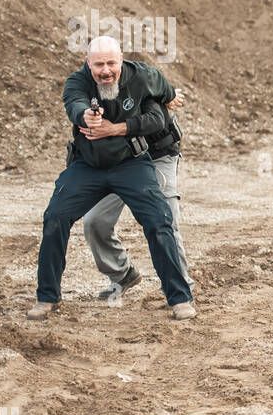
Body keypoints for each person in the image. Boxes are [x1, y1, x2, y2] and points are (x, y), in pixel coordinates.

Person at [28, 36, 196, 321]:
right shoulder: (77, 82)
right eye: (98, 65)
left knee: (161, 220)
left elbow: (163, 98)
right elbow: (75, 104)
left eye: (111, 63)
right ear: (88, 63)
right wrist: (86, 117)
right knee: (55, 216)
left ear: (121, 60)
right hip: (88, 166)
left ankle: (180, 296)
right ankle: (47, 297)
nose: (105, 70)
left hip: (134, 163)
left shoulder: (143, 76)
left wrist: (165, 99)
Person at [81, 83, 192, 301]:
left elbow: (154, 112)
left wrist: (166, 93)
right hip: (120, 161)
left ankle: (181, 288)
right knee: (94, 220)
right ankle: (123, 273)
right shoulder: (84, 88)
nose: (105, 71)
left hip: (158, 155)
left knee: (164, 219)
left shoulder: (139, 78)